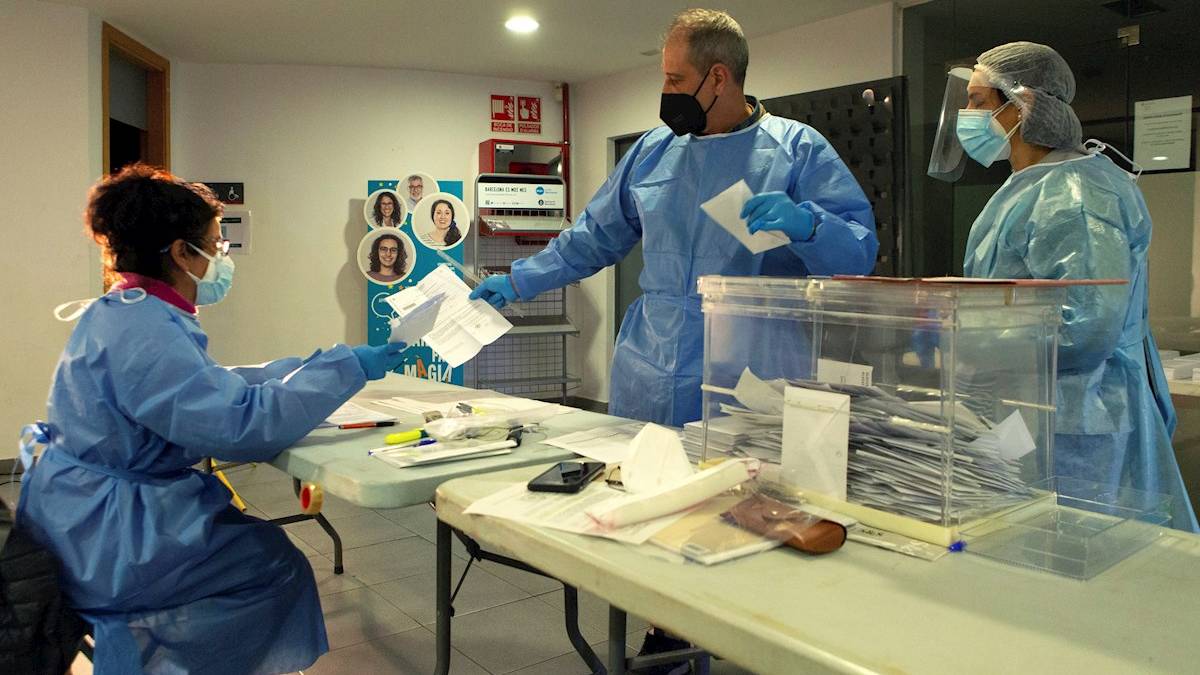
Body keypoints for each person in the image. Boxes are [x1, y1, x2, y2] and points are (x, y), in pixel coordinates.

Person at [16, 164, 408, 674]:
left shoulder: (127, 309)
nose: (221, 259)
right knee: (273, 566)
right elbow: (241, 427)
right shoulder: (146, 328)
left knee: (257, 547)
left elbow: (201, 385)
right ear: (181, 252)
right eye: (215, 246)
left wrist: (304, 367)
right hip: (111, 538)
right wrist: (346, 370)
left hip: (77, 508)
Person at [472, 8, 876, 428]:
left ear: (718, 78)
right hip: (653, 364)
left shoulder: (797, 149)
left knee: (741, 484)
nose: (665, 91)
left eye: (676, 79)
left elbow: (858, 256)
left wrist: (810, 226)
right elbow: (592, 236)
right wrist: (520, 280)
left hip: (756, 368)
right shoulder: (654, 152)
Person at [928, 42, 1198, 531]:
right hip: (1034, 409)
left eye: (979, 101)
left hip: (1080, 416)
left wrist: (964, 330)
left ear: (1024, 104)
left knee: (1081, 556)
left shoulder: (1075, 194)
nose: (967, 115)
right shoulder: (1029, 187)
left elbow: (1085, 328)